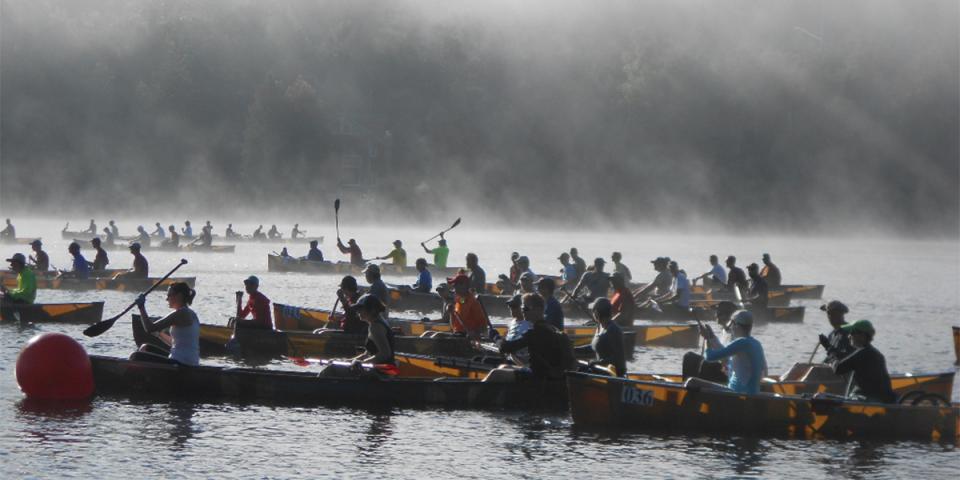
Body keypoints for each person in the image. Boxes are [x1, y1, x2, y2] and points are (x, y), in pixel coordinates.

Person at [498, 293, 577, 380]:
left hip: (539, 378)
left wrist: (496, 338)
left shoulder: (536, 332)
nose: (522, 311)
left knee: (495, 373)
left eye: (525, 308)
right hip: (548, 375)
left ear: (539, 310)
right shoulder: (551, 328)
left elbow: (505, 348)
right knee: (503, 367)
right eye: (522, 308)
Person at [690, 310, 768, 395]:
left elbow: (709, 357)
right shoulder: (756, 344)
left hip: (737, 393)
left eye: (731, 324)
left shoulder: (741, 342)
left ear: (736, 325)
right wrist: (711, 337)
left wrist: (706, 338)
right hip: (750, 393)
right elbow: (725, 355)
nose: (730, 328)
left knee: (691, 382)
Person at [130, 282, 200, 366]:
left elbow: (149, 328)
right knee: (145, 347)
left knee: (136, 356)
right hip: (188, 361)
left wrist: (141, 307)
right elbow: (175, 343)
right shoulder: (192, 314)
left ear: (179, 296)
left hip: (182, 363)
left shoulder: (180, 314)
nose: (167, 299)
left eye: (169, 295)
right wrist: (159, 334)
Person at [830, 320, 896, 403]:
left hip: (869, 399)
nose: (849, 336)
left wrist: (831, 354)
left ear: (862, 335)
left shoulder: (863, 353)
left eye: (852, 333)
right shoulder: (874, 352)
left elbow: (838, 369)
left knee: (821, 399)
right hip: (882, 398)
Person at [582, 298, 626, 377]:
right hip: (600, 370)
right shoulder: (600, 326)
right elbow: (593, 347)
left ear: (596, 313)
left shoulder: (613, 330)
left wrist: (598, 362)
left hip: (614, 375)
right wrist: (572, 348)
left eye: (592, 311)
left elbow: (617, 358)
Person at [350, 294, 396, 367]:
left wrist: (362, 363)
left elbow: (385, 354)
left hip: (384, 373)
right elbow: (366, 354)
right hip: (380, 369)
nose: (358, 311)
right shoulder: (375, 323)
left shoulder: (376, 327)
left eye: (361, 308)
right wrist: (348, 361)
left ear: (372, 310)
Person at [444, 272, 489, 338]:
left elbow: (484, 327)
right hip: (458, 335)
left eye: (456, 284)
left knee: (436, 336)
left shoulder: (473, 302)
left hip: (466, 338)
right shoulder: (459, 301)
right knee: (429, 334)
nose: (453, 286)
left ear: (464, 286)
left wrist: (475, 333)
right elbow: (454, 327)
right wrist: (451, 313)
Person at [503, 295, 531, 364]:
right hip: (509, 357)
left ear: (522, 308)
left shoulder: (529, 324)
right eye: (510, 306)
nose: (511, 308)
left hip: (521, 361)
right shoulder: (512, 323)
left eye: (514, 306)